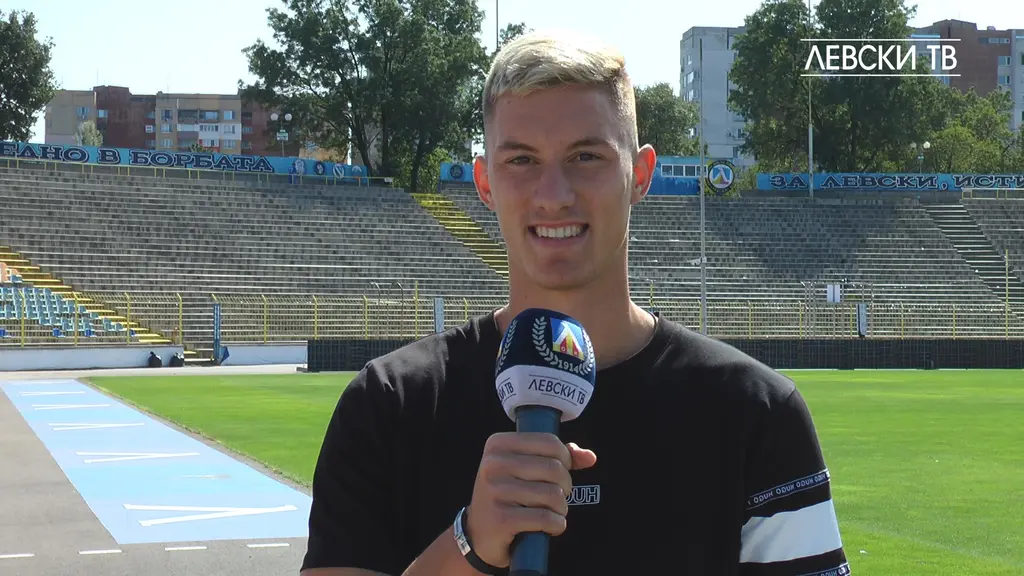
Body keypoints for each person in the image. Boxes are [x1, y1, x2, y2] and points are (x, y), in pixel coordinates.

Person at [300, 29, 849, 576]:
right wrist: (471, 544)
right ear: (485, 183)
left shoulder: (756, 413)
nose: (554, 195)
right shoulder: (388, 405)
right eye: (522, 160)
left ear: (640, 174)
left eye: (586, 156)